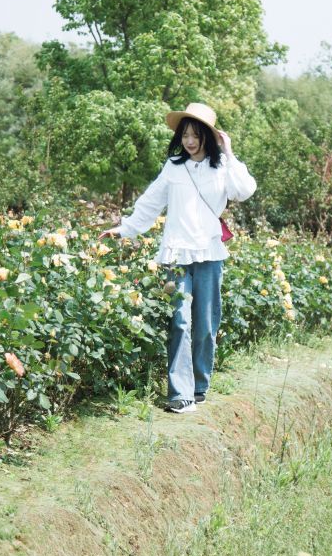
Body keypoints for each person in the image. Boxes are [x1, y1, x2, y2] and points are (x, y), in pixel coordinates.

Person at [100, 102, 256, 413]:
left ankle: (199, 385)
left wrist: (230, 152)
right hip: (176, 253)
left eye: (196, 134)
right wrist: (125, 229)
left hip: (210, 254)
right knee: (180, 321)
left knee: (207, 325)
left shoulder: (222, 167)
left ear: (208, 137)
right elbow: (151, 201)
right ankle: (180, 393)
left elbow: (245, 190)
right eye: (185, 134)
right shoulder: (174, 167)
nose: (189, 140)